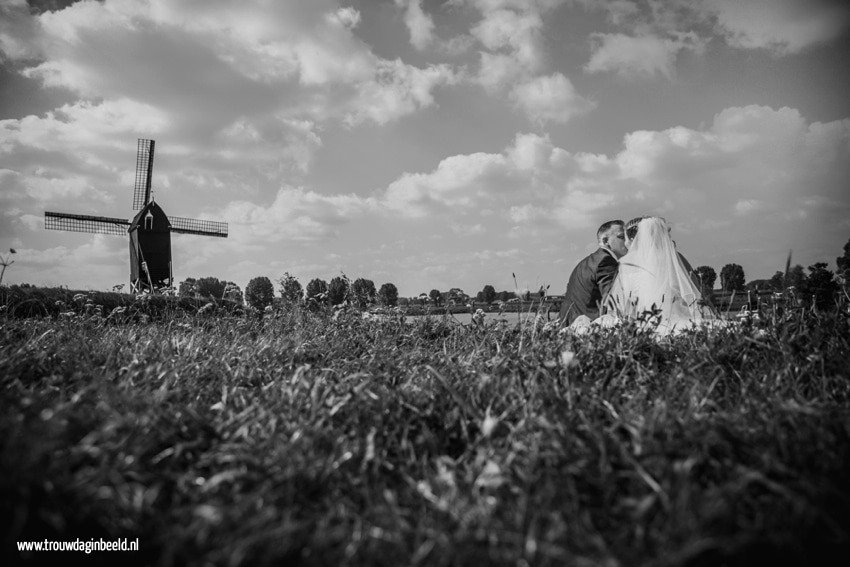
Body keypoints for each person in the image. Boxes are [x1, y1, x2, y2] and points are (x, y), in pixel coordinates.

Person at [603, 216, 718, 335]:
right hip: (679, 319)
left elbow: (622, 307)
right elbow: (692, 291)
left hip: (644, 324)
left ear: (632, 238)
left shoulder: (628, 264)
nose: (625, 243)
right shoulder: (673, 258)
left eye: (625, 238)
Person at [558, 219, 628, 327]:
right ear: (606, 241)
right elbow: (613, 302)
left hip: (568, 323)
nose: (626, 241)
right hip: (585, 328)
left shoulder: (587, 262)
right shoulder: (606, 262)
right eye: (621, 237)